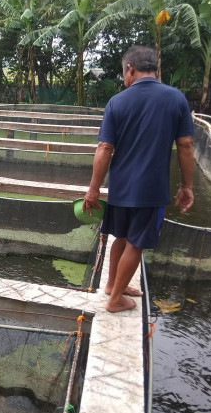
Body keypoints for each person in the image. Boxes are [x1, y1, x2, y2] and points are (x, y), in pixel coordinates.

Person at [82, 45, 195, 313]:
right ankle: (115, 299)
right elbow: (186, 145)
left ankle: (112, 285)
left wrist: (93, 189)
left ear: (130, 69)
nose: (124, 79)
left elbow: (104, 148)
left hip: (120, 187)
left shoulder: (117, 102)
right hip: (151, 190)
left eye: (124, 73)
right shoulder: (176, 99)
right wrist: (187, 186)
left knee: (119, 238)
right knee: (137, 243)